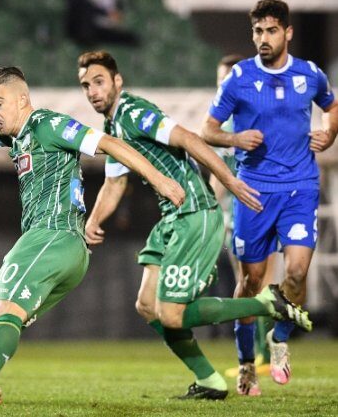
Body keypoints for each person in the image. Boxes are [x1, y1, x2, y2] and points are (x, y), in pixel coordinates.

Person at [0, 66, 187, 416]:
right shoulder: (16, 136)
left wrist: (160, 181)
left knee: (7, 308)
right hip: (46, 243)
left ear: (22, 99)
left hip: (55, 236)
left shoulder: (47, 124)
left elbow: (109, 143)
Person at [78, 49, 311, 400]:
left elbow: (188, 138)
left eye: (99, 81)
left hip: (193, 213)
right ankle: (210, 380)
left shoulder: (134, 112)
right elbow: (115, 182)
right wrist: (93, 221)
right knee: (147, 305)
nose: (93, 91)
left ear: (117, 81)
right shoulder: (113, 126)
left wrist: (228, 181)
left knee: (172, 315)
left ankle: (266, 304)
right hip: (171, 218)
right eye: (86, 85)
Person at [202, 0, 338, 394]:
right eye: (258, 31)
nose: (263, 38)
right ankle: (246, 362)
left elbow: (332, 107)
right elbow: (208, 130)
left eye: (271, 30)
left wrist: (329, 134)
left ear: (287, 33)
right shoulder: (239, 78)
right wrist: (234, 138)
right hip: (254, 192)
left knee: (295, 274)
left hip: (300, 188)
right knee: (250, 281)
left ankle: (279, 342)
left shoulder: (309, 74)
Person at [209, 55, 277, 382]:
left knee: (257, 283)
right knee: (249, 283)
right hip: (235, 216)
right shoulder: (223, 127)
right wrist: (212, 211)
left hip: (259, 212)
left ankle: (266, 353)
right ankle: (263, 353)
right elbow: (218, 178)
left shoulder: (254, 121)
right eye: (220, 80)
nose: (223, 86)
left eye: (228, 79)